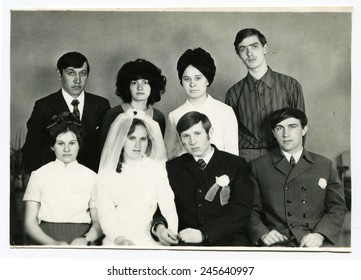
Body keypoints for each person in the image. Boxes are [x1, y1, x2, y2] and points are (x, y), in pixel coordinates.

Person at [248, 108, 347, 247]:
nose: (286, 134)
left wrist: (320, 235)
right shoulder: (258, 166)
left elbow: (337, 207)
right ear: (273, 133)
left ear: (304, 129)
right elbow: (250, 209)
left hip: (315, 241)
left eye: (292, 127)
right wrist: (263, 233)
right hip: (277, 241)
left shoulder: (324, 164)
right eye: (279, 128)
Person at [153, 111, 253, 246]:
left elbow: (241, 211)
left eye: (197, 134)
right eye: (186, 136)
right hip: (185, 240)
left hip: (228, 239)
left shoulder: (236, 164)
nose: (192, 142)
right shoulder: (172, 167)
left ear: (210, 132)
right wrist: (160, 228)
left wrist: (204, 233)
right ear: (180, 140)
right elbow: (159, 206)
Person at [96, 109, 178, 246]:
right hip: (119, 238)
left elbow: (168, 204)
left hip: (154, 237)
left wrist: (171, 232)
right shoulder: (107, 172)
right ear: (122, 140)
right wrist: (118, 238)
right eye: (132, 138)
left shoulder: (156, 168)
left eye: (143, 139)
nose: (138, 145)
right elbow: (106, 211)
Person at [22, 51, 110, 173]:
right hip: (55, 180)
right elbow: (31, 151)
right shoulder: (43, 106)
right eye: (71, 73)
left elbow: (108, 149)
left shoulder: (101, 105)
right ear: (59, 74)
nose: (77, 80)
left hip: (92, 180)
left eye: (82, 73)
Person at [225, 28, 305, 162]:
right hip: (247, 160)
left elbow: (300, 129)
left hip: (282, 156)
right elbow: (230, 136)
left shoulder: (291, 85)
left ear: (265, 48)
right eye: (243, 49)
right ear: (238, 54)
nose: (250, 53)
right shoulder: (233, 93)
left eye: (254, 46)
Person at [23, 112, 102, 246]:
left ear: (79, 145)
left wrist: (85, 239)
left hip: (82, 237)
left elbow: (98, 222)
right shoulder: (39, 175)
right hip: (46, 237)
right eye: (60, 143)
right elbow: (29, 223)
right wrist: (53, 244)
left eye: (72, 143)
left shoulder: (92, 177)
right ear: (52, 146)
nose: (66, 149)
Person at [164, 47, 238, 159]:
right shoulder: (174, 116)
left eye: (198, 78)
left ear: (207, 80)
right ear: (181, 81)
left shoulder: (225, 111)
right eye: (187, 79)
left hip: (220, 173)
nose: (192, 84)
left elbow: (233, 155)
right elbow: (169, 155)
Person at [100, 59, 167, 151]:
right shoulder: (113, 114)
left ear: (153, 86)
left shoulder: (158, 116)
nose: (140, 87)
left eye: (145, 82)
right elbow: (105, 152)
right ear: (127, 86)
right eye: (134, 83)